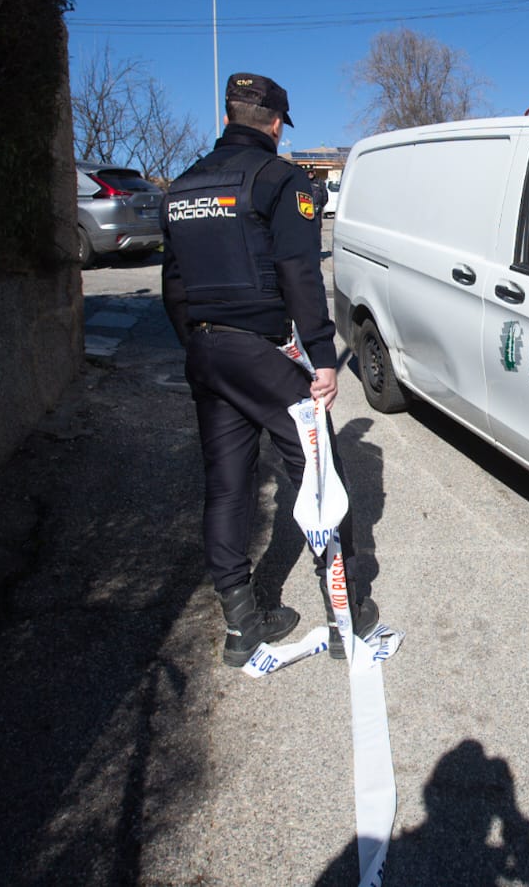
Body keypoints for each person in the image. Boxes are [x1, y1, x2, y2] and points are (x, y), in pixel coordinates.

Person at [160, 72, 377, 666]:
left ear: (229, 115)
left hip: (207, 354)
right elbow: (299, 274)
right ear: (276, 124)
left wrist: (203, 347)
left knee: (227, 485)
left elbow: (174, 288)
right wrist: (323, 356)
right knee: (319, 469)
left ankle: (242, 626)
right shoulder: (280, 181)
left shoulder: (180, 188)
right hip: (257, 350)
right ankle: (346, 614)